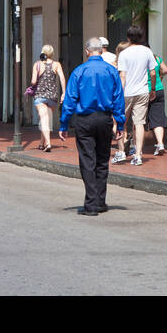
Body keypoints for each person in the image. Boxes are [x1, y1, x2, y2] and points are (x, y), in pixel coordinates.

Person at [59, 37, 125, 216]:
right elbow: (118, 98)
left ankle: (91, 203)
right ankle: (100, 201)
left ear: (87, 51)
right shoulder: (111, 71)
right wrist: (120, 123)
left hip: (85, 119)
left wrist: (64, 123)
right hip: (105, 119)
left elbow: (70, 99)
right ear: (101, 51)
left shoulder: (80, 71)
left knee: (88, 160)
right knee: (103, 160)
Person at [115, 26, 155, 165]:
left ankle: (121, 152)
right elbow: (153, 72)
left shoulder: (124, 54)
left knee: (121, 122)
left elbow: (123, 75)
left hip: (126, 92)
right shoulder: (147, 51)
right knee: (139, 123)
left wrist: (119, 92)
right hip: (143, 91)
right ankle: (138, 154)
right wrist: (152, 89)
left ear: (128, 37)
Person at [31, 45, 66, 152]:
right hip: (52, 96)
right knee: (45, 119)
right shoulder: (57, 64)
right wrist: (63, 93)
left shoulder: (37, 64)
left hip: (40, 95)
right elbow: (62, 78)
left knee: (44, 119)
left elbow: (33, 81)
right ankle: (42, 143)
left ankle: (48, 143)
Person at [145, 51, 167, 157]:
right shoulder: (157, 58)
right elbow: (165, 70)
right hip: (159, 89)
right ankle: (160, 143)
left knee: (139, 120)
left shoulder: (142, 60)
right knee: (158, 118)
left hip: (145, 90)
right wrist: (160, 77)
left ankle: (137, 148)